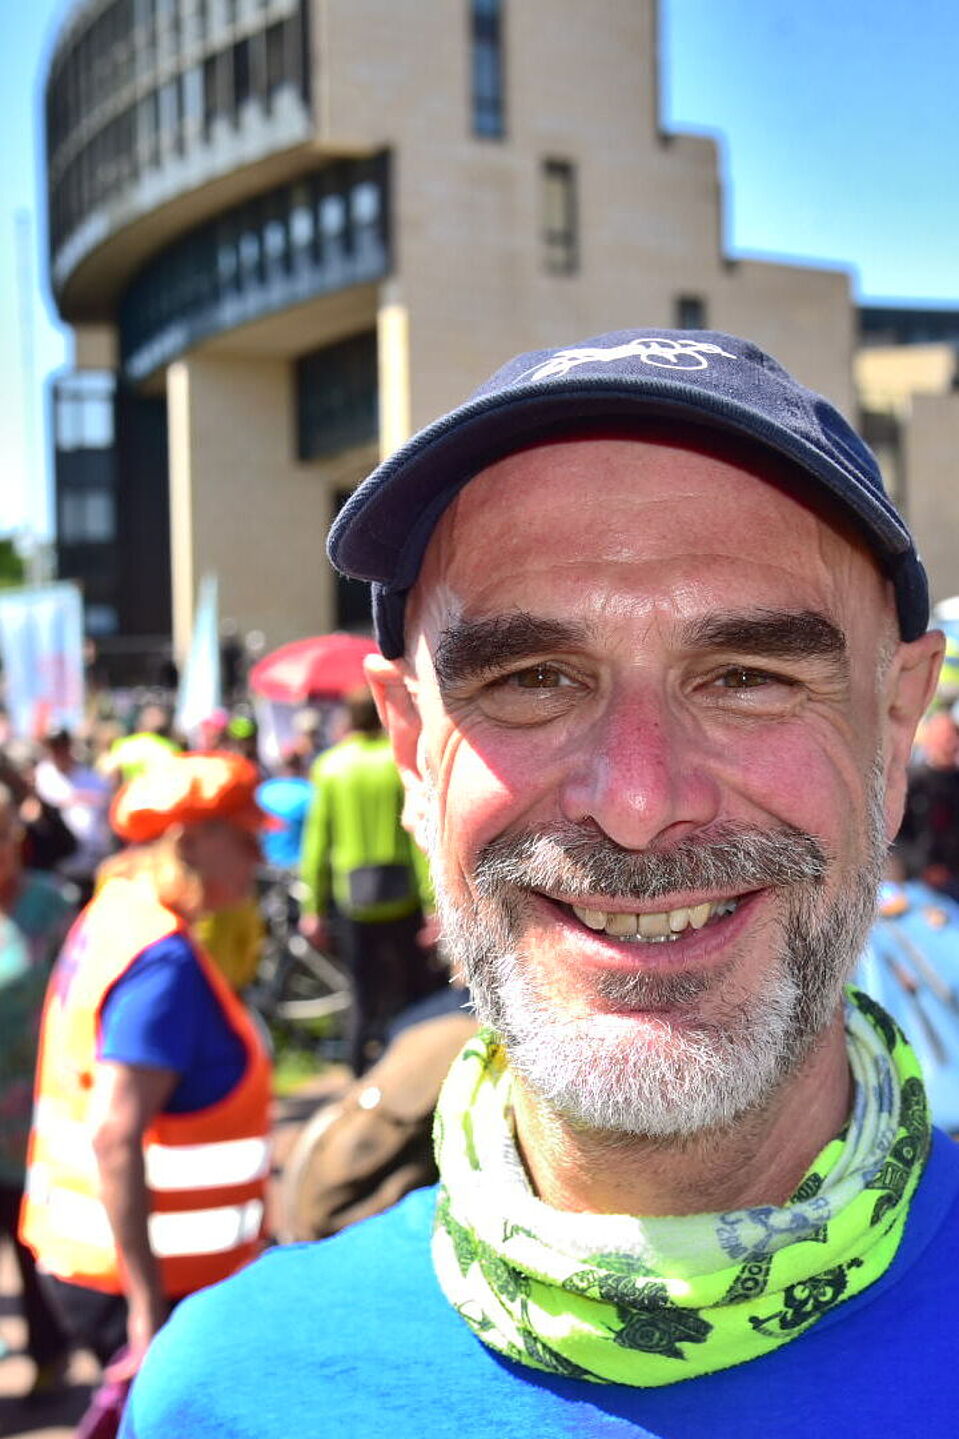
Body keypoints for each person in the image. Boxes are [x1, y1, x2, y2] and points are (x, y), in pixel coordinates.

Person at [122, 328, 957, 1437]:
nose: (636, 798)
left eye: (746, 675)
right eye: (533, 677)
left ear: (894, 724)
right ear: (411, 749)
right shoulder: (229, 1395)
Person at [20, 753, 273, 1385]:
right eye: (245, 841)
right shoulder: (161, 960)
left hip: (92, 1257)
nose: (260, 860)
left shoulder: (114, 914)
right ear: (190, 841)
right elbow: (114, 1132)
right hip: (150, 1284)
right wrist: (145, 1310)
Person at [299, 685, 439, 1074]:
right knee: (413, 990)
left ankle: (357, 1072)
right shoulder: (397, 763)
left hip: (353, 898)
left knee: (362, 991)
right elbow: (418, 838)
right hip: (404, 895)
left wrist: (312, 908)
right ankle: (414, 1070)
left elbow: (317, 843)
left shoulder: (329, 767)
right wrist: (432, 903)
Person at [0, 785, 77, 1396]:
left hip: (32, 1120)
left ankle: (49, 1360)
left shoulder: (50, 907)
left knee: (34, 1251)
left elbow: (78, 1003)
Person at [34, 727, 113, 902]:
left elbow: (107, 815)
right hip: (58, 865)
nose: (59, 751)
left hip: (93, 860)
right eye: (54, 746)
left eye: (62, 745)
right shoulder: (42, 776)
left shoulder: (92, 778)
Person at [894, 707, 959, 898]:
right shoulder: (911, 780)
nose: (951, 743)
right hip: (916, 880)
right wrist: (923, 866)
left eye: (954, 737)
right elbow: (895, 833)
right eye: (944, 738)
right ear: (930, 741)